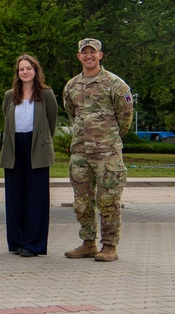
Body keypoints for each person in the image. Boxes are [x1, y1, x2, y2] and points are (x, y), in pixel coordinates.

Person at [62, 38, 134, 262]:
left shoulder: (115, 84)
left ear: (100, 55)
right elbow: (72, 114)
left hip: (107, 154)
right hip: (80, 154)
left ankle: (109, 246)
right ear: (79, 56)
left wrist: (108, 138)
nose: (89, 56)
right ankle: (88, 243)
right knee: (82, 202)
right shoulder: (72, 86)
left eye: (93, 52)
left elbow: (125, 118)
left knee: (108, 201)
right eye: (85, 52)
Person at [0, 54, 57, 257]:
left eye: (29, 68)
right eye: (21, 69)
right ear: (17, 72)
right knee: (15, 198)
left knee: (36, 198)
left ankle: (34, 244)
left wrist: (42, 143)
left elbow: (51, 122)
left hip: (37, 149)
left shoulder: (46, 94)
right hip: (15, 148)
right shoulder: (10, 95)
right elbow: (7, 122)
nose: (25, 72)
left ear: (35, 70)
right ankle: (17, 242)